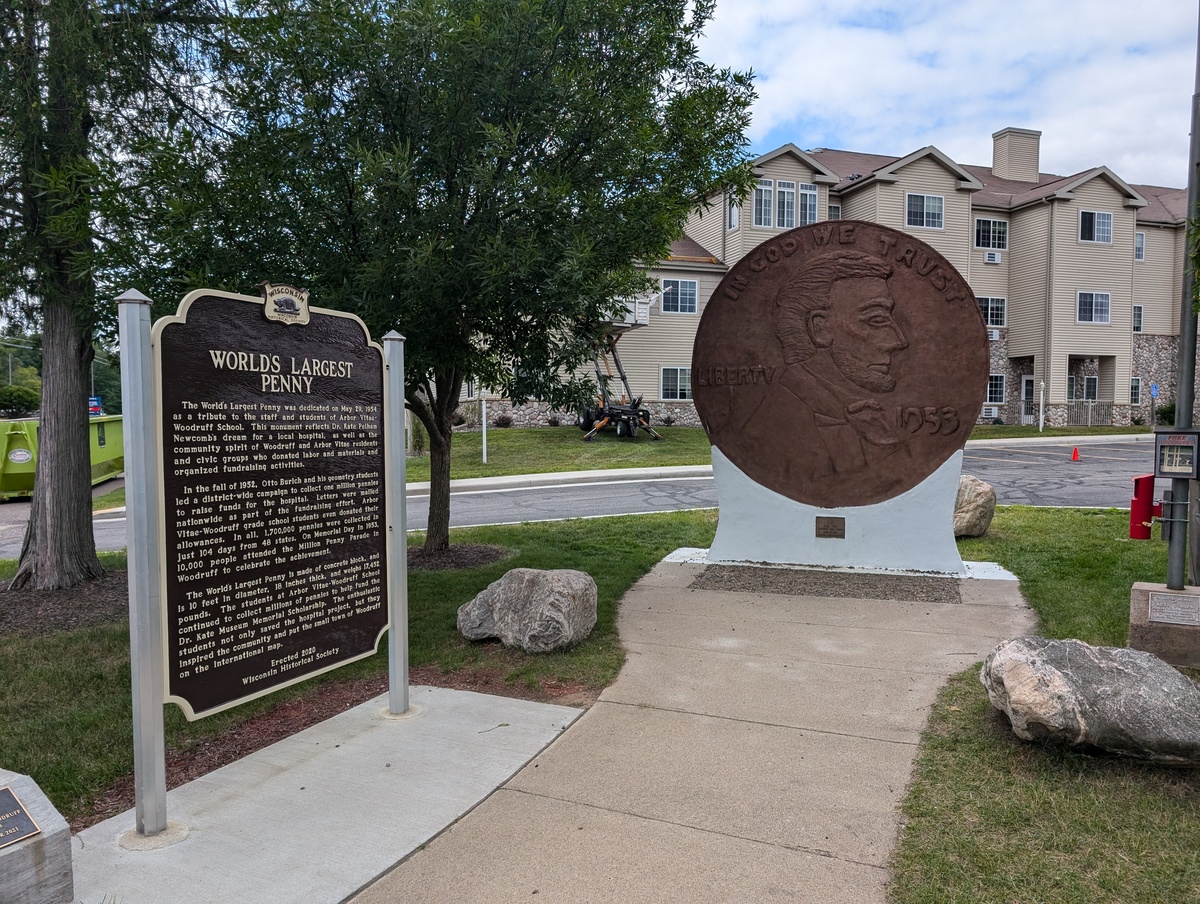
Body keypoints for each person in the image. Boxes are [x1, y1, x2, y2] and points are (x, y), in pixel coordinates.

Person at [734, 250, 912, 504]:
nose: (898, 341)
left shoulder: (849, 411)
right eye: (876, 319)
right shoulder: (773, 430)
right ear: (819, 328)